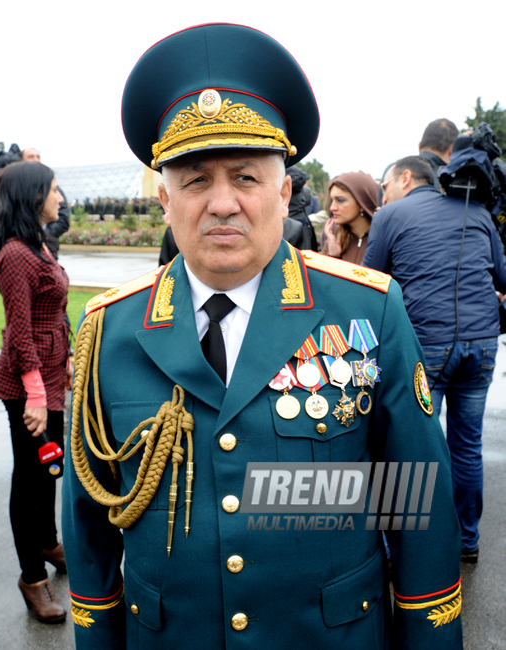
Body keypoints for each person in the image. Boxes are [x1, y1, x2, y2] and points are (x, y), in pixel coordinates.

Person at [62, 24, 463, 649]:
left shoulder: (368, 311)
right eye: (195, 179)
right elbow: (88, 536)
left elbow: (414, 505)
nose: (222, 202)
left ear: (283, 192)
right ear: (165, 200)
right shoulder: (108, 330)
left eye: (246, 177)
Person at [364, 155, 506, 563]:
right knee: (467, 447)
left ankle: (405, 551)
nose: (383, 194)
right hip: (480, 345)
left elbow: (371, 280)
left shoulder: (390, 214)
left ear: (406, 177)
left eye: (385, 185)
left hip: (426, 345)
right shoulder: (476, 212)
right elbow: (503, 277)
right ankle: (467, 541)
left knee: (409, 448)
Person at [0, 161, 72, 623]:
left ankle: (48, 540)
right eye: (55, 190)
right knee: (30, 480)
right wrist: (37, 395)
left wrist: (72, 356)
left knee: (50, 466)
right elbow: (20, 333)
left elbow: (56, 310)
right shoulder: (15, 255)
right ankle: (31, 577)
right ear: (33, 195)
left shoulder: (38, 244)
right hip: (27, 384)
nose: (61, 198)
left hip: (50, 376)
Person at [21, 148, 71, 258]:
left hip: (48, 247)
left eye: (38, 156)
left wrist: (43, 237)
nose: (35, 159)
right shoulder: (17, 191)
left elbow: (63, 220)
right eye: (31, 156)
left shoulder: (51, 185)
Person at [321, 171, 378, 263]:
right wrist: (334, 256)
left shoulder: (381, 240)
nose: (332, 208)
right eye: (332, 200)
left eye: (340, 200)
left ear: (362, 203)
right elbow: (322, 277)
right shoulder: (334, 240)